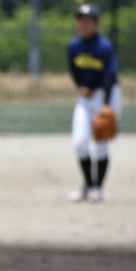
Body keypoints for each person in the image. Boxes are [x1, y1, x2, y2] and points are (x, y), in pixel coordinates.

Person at [67, 4, 121, 203]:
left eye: (87, 21)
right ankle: (88, 185)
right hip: (86, 97)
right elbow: (74, 71)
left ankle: (98, 189)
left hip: (106, 94)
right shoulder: (73, 46)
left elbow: (109, 76)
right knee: (80, 143)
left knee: (100, 143)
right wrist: (80, 87)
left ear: (95, 24)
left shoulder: (104, 46)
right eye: (80, 21)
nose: (82, 24)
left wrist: (106, 106)